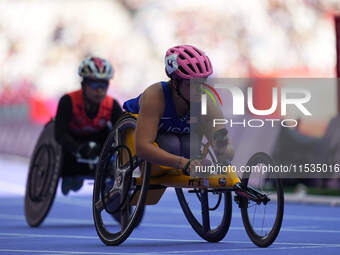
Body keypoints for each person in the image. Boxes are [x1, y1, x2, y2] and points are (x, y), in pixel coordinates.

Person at [123, 45, 234, 176]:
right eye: (192, 84)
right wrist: (184, 163)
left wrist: (222, 146)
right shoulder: (155, 96)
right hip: (137, 131)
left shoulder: (208, 104)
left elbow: (227, 152)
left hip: (176, 141)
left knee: (189, 145)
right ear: (175, 84)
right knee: (171, 144)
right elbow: (142, 148)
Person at [55, 56, 123, 195]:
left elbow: (123, 132)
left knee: (113, 134)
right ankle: (71, 174)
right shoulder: (68, 101)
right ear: (83, 85)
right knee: (70, 177)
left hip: (99, 142)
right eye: (94, 85)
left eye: (103, 85)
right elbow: (59, 134)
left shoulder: (112, 105)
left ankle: (108, 179)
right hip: (73, 143)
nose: (99, 90)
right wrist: (78, 148)